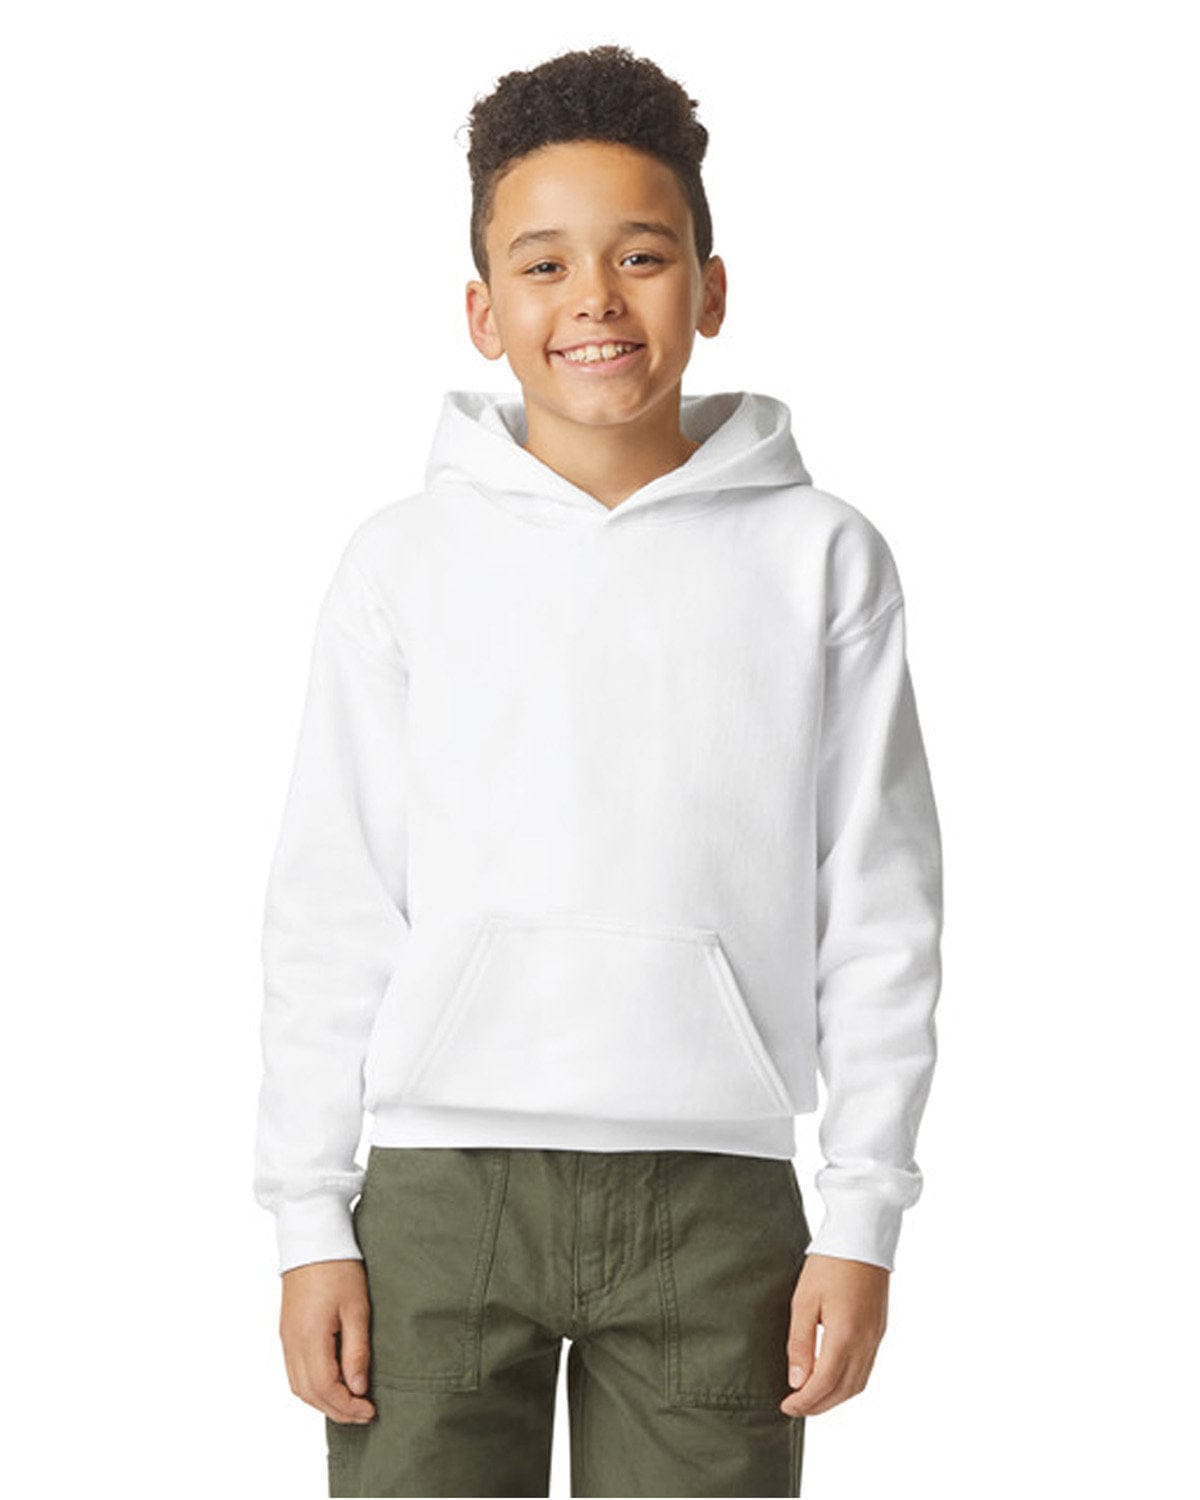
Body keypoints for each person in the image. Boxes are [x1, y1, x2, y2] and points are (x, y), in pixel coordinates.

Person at [253, 42, 944, 1499]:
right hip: (439, 1197)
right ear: (483, 310)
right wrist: (309, 1218)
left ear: (711, 285)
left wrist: (863, 1215)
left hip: (720, 1200)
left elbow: (880, 904)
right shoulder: (402, 563)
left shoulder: (820, 557)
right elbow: (333, 901)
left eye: (641, 256)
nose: (596, 301)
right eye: (544, 264)